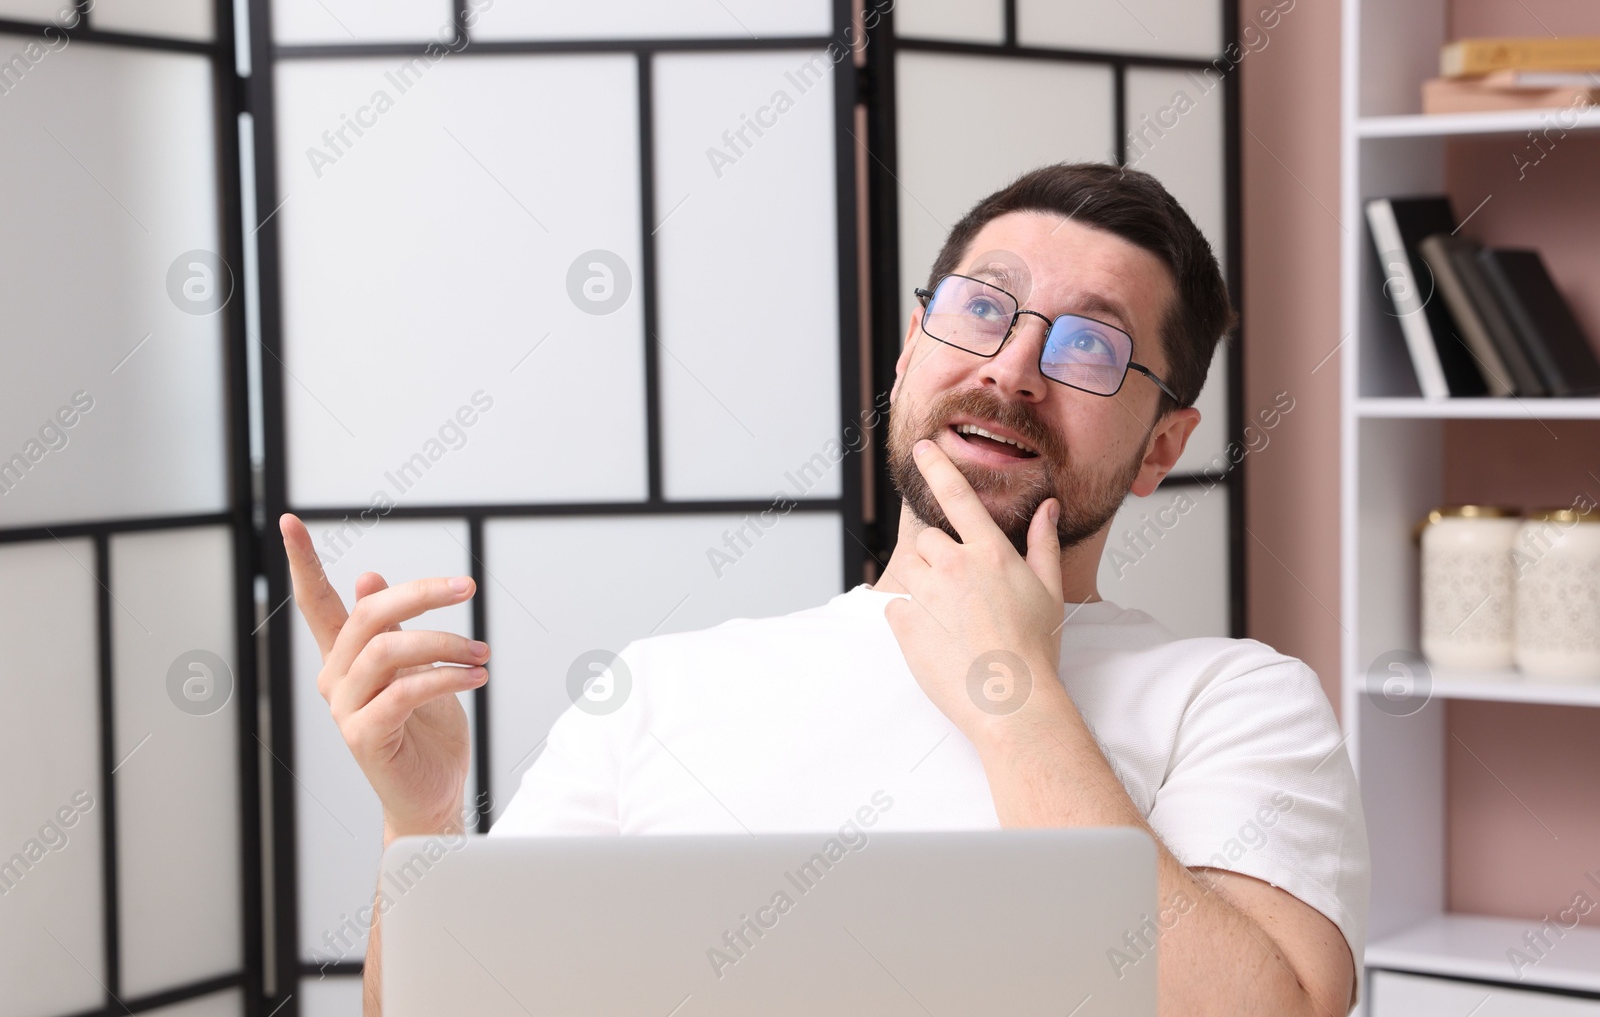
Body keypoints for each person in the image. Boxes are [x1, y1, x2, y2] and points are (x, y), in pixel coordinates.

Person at [283, 162, 1368, 1016]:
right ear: (910, 354)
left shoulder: (1236, 700)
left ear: (1160, 447)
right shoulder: (661, 687)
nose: (1010, 367)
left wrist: (1012, 692)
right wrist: (418, 825)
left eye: (1090, 346)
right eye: (981, 310)